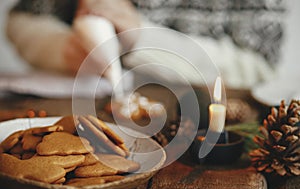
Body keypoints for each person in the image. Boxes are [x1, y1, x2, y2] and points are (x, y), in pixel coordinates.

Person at [6, 0, 285, 88]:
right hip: (79, 95)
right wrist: (62, 48)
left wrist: (142, 38)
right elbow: (22, 19)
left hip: (197, 115)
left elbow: (256, 64)